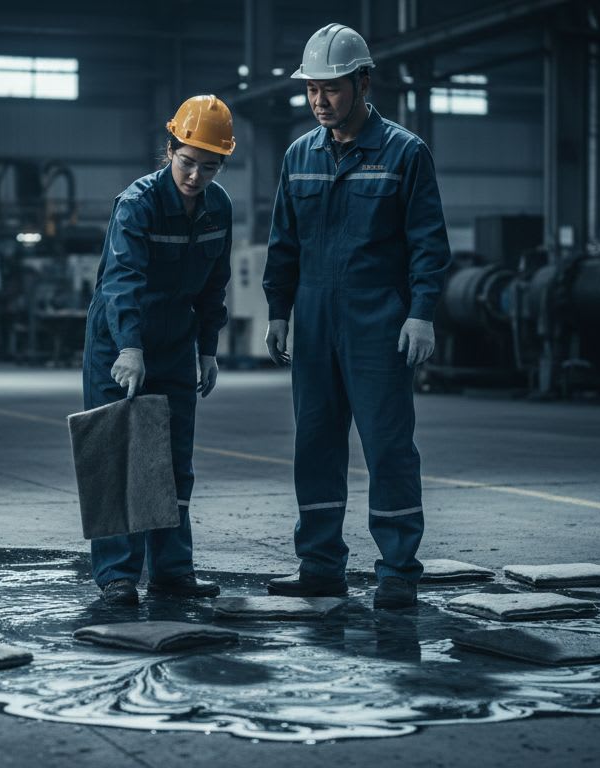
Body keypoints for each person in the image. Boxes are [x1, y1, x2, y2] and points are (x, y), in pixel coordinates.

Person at [262, 23, 451, 609]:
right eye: (312, 90)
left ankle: (397, 570)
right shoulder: (299, 155)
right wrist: (278, 311)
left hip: (378, 321)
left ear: (362, 82)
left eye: (332, 89)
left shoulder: (404, 152)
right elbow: (282, 244)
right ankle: (319, 564)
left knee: (388, 445)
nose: (320, 101)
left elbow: (428, 242)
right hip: (314, 319)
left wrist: (422, 313)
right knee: (314, 443)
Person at [82, 95, 235, 606]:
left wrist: (208, 349)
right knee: (117, 454)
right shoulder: (136, 205)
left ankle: (172, 570)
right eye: (187, 162)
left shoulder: (219, 208)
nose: (194, 176)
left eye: (208, 167)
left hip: (174, 345)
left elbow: (215, 283)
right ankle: (117, 574)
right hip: (119, 343)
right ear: (169, 150)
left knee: (172, 462)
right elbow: (121, 282)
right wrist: (128, 347)